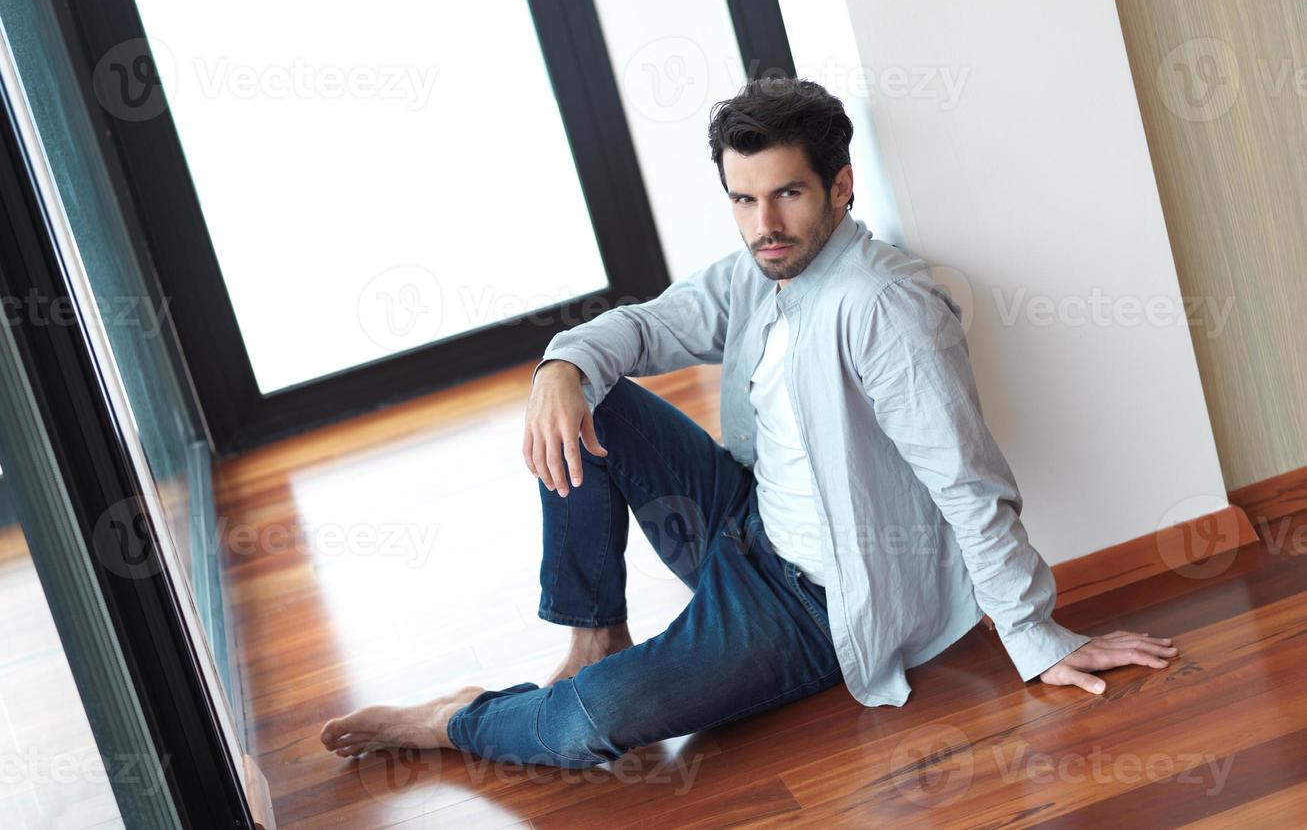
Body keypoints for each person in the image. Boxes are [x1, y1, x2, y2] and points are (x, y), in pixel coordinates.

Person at [320, 77, 1177, 766]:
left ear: (840, 186)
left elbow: (967, 479)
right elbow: (649, 325)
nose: (763, 225)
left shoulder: (882, 307)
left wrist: (1033, 635)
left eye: (787, 195)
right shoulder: (760, 271)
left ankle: (459, 719)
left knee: (591, 724)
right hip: (741, 521)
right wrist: (560, 364)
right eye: (742, 200)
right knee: (594, 394)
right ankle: (595, 631)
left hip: (811, 601)